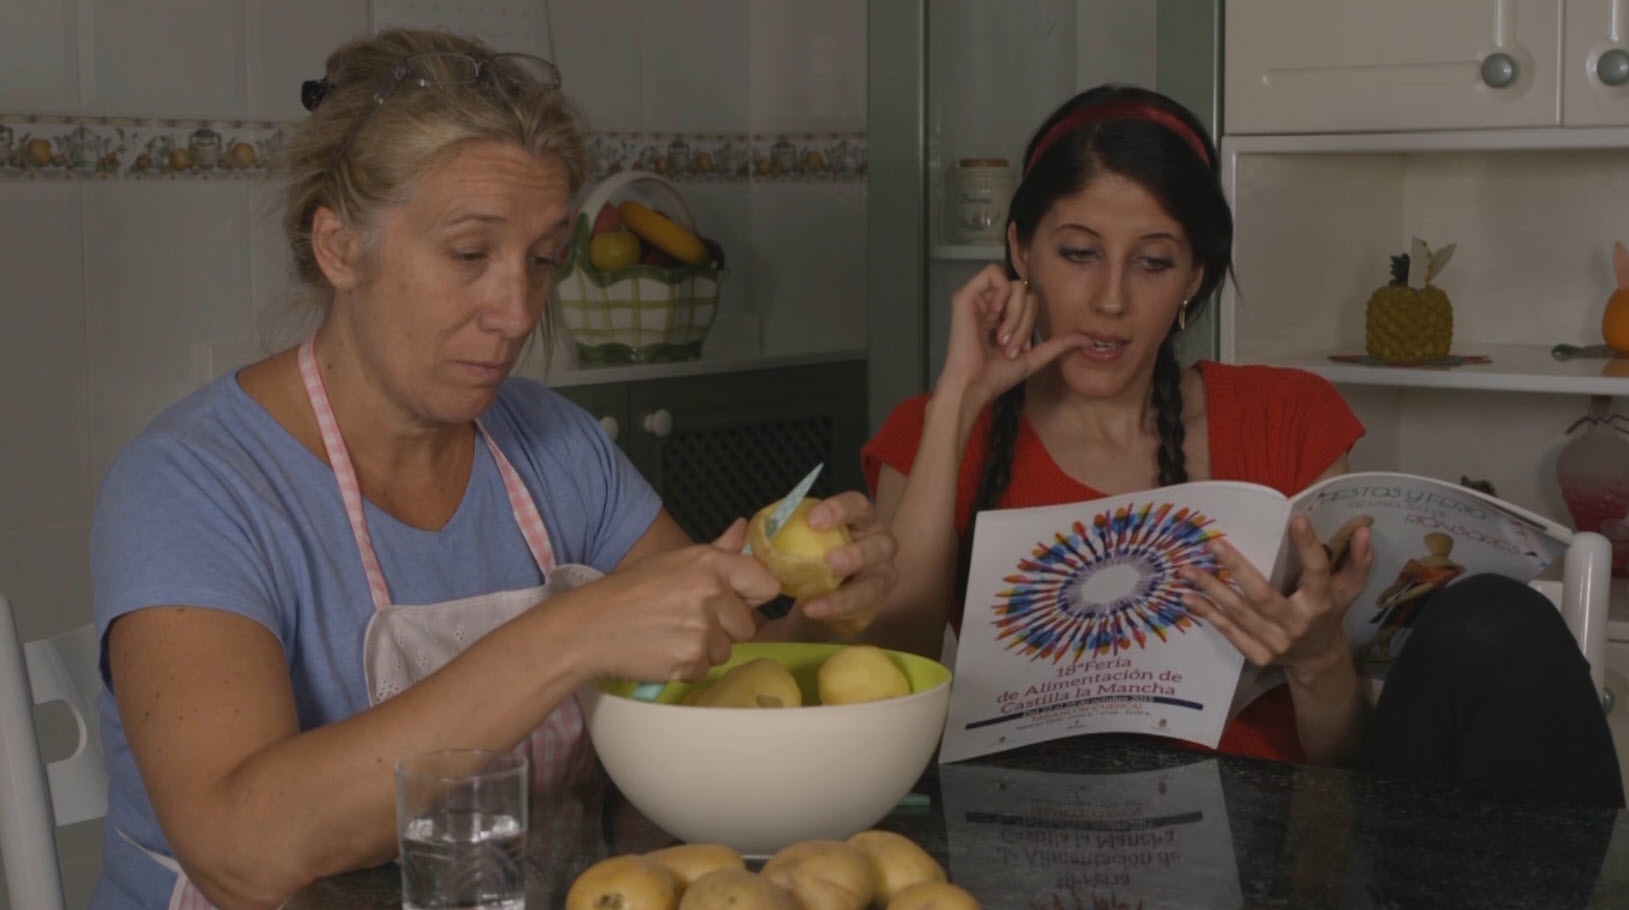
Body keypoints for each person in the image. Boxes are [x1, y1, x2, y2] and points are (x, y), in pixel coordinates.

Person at [88, 29, 897, 909]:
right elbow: (241, 852)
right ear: (339, 248)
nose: (516, 312)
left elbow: (712, 699)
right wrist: (571, 632)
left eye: (543, 259)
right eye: (469, 255)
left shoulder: (559, 448)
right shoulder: (191, 485)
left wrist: (829, 612)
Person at [862, 84, 1622, 807]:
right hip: (1032, 840)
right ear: (1020, 250)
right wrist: (957, 401)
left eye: (1152, 262)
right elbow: (883, 686)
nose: (1111, 300)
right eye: (1078, 253)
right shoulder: (938, 431)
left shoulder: (1285, 417)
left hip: (1274, 844)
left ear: (1193, 275)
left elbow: (1343, 768)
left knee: (1496, 620)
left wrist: (1316, 655)